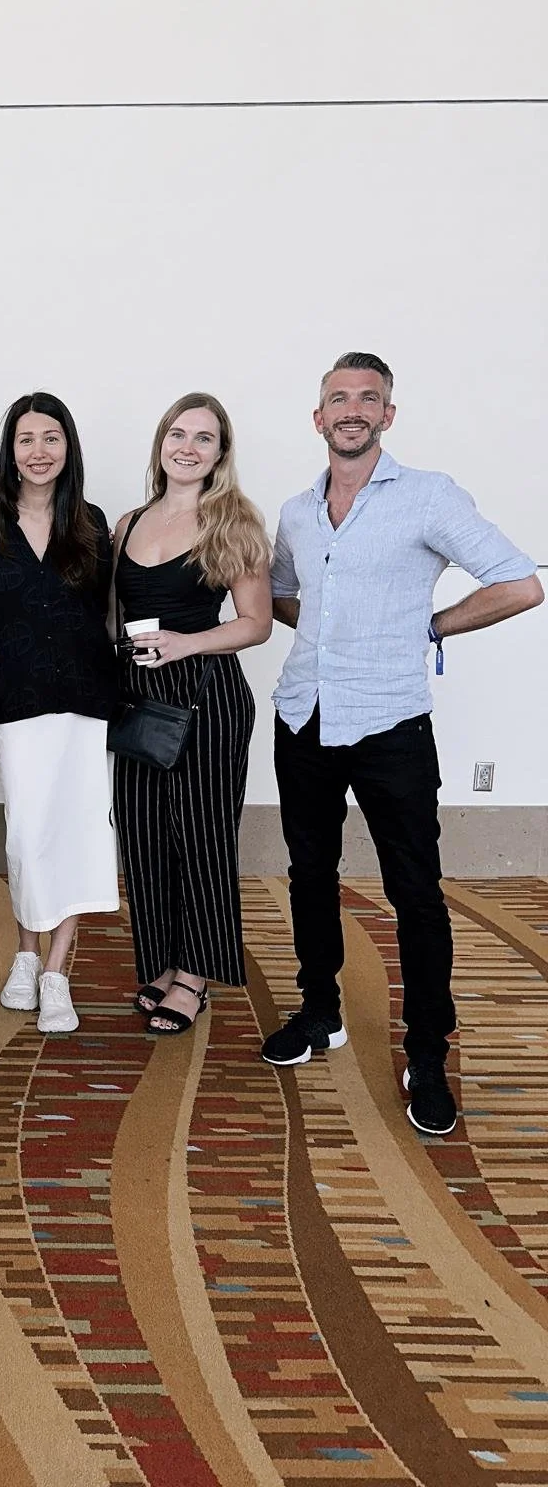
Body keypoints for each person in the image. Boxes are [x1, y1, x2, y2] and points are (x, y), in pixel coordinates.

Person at [263, 351, 542, 1133]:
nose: (352, 409)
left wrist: (427, 627)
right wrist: (330, 636)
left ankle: (427, 1053)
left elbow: (521, 582)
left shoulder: (428, 497)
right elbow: (282, 595)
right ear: (318, 418)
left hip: (391, 724)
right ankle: (321, 1011)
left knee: (414, 893)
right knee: (308, 874)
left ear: (388, 414)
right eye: (337, 399)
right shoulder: (296, 511)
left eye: (368, 398)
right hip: (304, 717)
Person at [0, 392, 118, 1032]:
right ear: (9, 451)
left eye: (51, 438)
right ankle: (23, 949)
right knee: (27, 831)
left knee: (75, 829)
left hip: (82, 701)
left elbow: (108, 614)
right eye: (26, 439)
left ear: (68, 448)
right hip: (16, 703)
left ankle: (55, 970)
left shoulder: (93, 523)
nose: (39, 451)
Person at [111, 393, 272, 1036]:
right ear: (160, 444)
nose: (188, 446)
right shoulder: (127, 523)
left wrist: (186, 642)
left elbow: (256, 624)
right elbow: (113, 617)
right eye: (178, 434)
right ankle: (159, 961)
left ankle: (197, 974)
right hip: (139, 698)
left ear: (220, 454)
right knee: (144, 833)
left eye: (204, 438)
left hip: (208, 696)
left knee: (202, 835)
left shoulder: (232, 522)